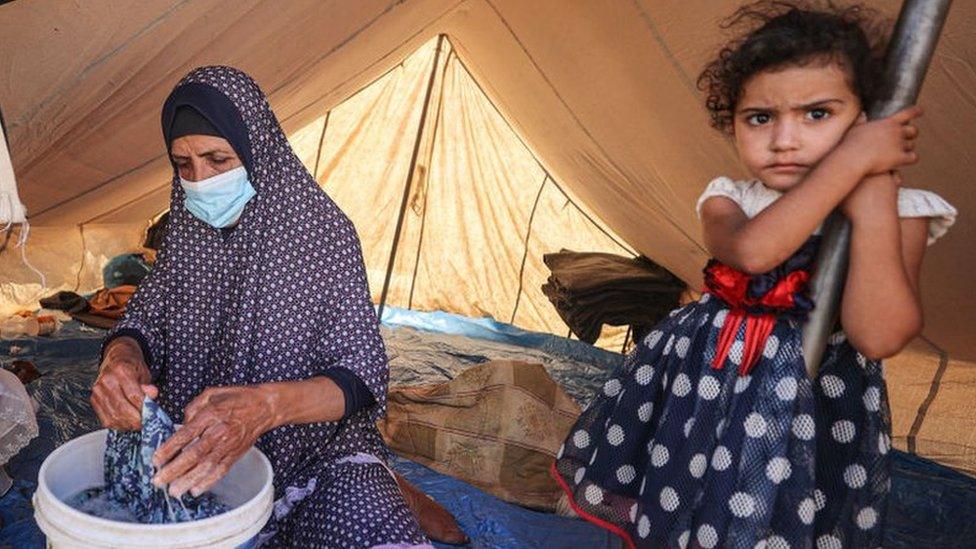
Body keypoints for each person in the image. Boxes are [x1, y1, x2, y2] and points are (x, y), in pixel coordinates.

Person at [552, 2, 957, 548]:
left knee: (768, 521)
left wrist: (873, 204)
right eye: (760, 118)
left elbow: (879, 334)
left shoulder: (901, 209)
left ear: (864, 120)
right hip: (706, 387)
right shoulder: (730, 198)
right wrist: (847, 165)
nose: (784, 139)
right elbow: (753, 252)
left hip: (809, 407)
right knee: (684, 500)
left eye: (817, 114)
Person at [91, 65, 436, 547]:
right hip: (200, 450)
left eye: (217, 159)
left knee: (370, 526)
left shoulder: (322, 234)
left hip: (313, 457)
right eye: (183, 165)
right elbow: (143, 320)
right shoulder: (187, 231)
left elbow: (360, 375)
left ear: (258, 150)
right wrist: (120, 359)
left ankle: (387, 487)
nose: (200, 181)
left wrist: (265, 408)